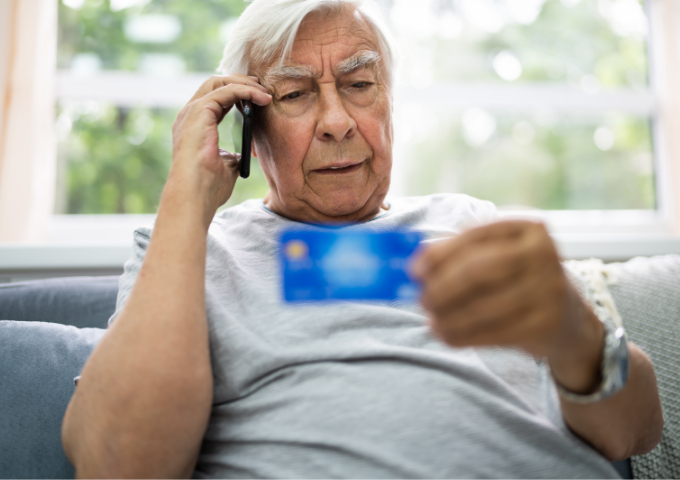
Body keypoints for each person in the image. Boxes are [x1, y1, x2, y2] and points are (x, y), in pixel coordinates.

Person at [61, 0, 663, 477]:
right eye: (295, 94)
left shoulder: (471, 221)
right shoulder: (187, 245)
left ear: (390, 103)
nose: (337, 122)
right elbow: (122, 466)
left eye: (358, 84)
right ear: (248, 127)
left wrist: (574, 335)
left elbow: (634, 432)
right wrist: (184, 198)